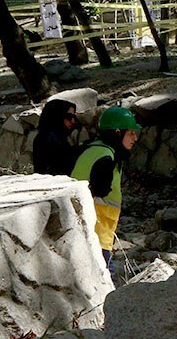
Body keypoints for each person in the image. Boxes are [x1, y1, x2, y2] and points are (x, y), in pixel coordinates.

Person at [71, 105, 140, 270]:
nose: (135, 138)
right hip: (97, 235)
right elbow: (99, 191)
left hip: (84, 233)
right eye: (130, 133)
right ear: (117, 133)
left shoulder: (92, 149)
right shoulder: (106, 158)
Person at [33, 98, 78, 175]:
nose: (73, 121)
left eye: (74, 117)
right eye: (69, 117)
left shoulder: (53, 136)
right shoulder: (50, 139)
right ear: (57, 116)